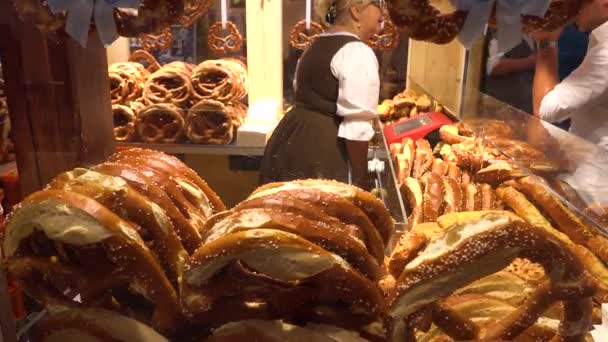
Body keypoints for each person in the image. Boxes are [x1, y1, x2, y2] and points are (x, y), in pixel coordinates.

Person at [259, 0, 382, 187]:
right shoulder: (357, 52)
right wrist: (360, 177)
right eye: (377, 3)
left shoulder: (315, 45)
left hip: (288, 138)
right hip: (322, 151)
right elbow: (356, 125)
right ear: (356, 11)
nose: (382, 12)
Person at [533, 0, 608, 149]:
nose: (571, 12)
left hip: (597, 168)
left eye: (578, 3)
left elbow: (545, 109)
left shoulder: (605, 52)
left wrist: (546, 41)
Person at [483, 30, 537, 113]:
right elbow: (494, 66)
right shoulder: (503, 32)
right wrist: (529, 62)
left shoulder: (534, 37)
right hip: (504, 109)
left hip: (527, 109)